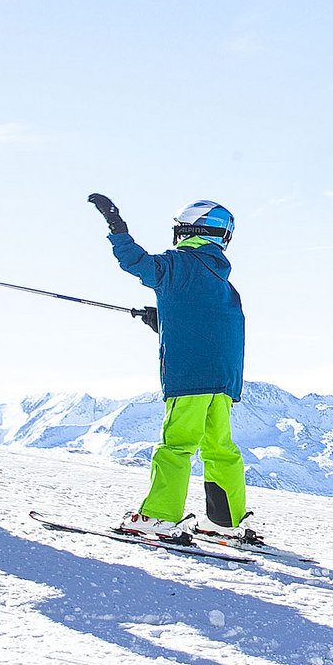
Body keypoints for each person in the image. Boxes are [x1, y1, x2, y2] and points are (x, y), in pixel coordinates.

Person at [87, 194, 253, 542]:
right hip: (224, 380)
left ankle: (159, 516)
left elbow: (136, 262)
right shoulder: (222, 280)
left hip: (190, 376)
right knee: (219, 447)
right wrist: (164, 319)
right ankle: (225, 521)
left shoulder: (177, 265)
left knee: (176, 445)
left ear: (188, 229)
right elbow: (211, 320)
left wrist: (116, 226)